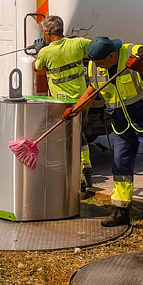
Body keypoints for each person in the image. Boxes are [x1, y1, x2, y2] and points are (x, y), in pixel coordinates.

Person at [65, 36, 143, 238]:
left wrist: (141, 69)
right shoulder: (95, 66)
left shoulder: (136, 53)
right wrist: (75, 109)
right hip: (121, 124)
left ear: (112, 55)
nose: (96, 65)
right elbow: (93, 89)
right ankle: (121, 211)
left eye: (100, 62)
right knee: (120, 168)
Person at [33, 15, 93, 193]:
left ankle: (77, 176)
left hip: (62, 103)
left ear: (47, 32)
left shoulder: (45, 52)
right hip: (83, 100)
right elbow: (95, 49)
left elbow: (37, 68)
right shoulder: (79, 44)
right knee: (80, 134)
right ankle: (87, 169)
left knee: (68, 139)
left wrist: (39, 50)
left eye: (44, 32)